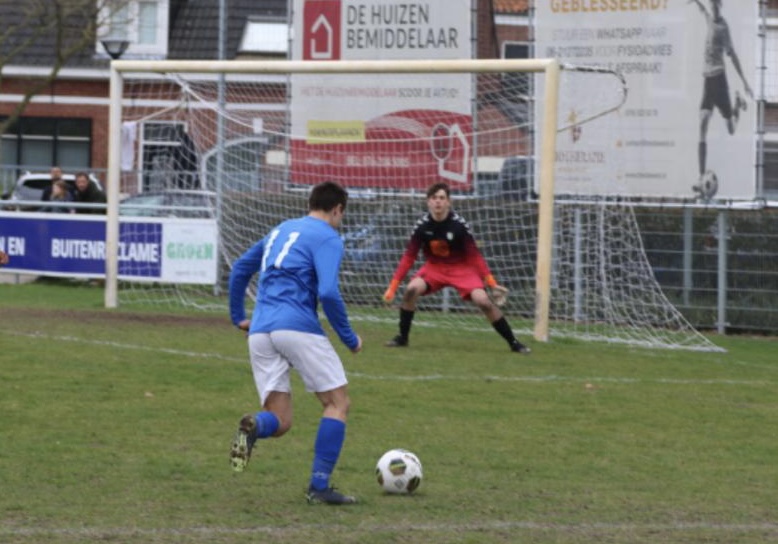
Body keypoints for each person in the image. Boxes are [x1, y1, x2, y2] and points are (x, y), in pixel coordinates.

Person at [228, 180, 362, 506]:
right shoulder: (329, 237)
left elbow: (240, 270)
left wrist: (238, 316)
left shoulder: (280, 229)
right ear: (337, 209)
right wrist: (349, 337)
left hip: (260, 330)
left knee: (280, 421)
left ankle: (254, 426)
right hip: (297, 326)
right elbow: (328, 292)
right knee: (337, 403)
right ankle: (319, 486)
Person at [383, 182, 530, 354]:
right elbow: (409, 257)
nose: (438, 202)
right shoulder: (421, 226)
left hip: (462, 269)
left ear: (448, 202)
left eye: (442, 198)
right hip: (434, 268)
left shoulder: (459, 225)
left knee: (483, 302)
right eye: (434, 198)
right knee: (410, 291)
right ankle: (402, 337)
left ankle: (513, 342)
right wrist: (393, 287)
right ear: (428, 202)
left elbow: (474, 256)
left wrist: (491, 283)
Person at [689, 0, 753, 198]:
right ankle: (701, 179)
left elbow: (732, 56)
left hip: (719, 80)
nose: (713, 8)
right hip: (707, 81)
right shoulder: (709, 18)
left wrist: (745, 82)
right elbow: (702, 12)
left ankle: (738, 103)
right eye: (711, 5)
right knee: (702, 123)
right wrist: (697, 3)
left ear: (720, 6)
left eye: (715, 5)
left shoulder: (724, 28)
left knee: (732, 129)